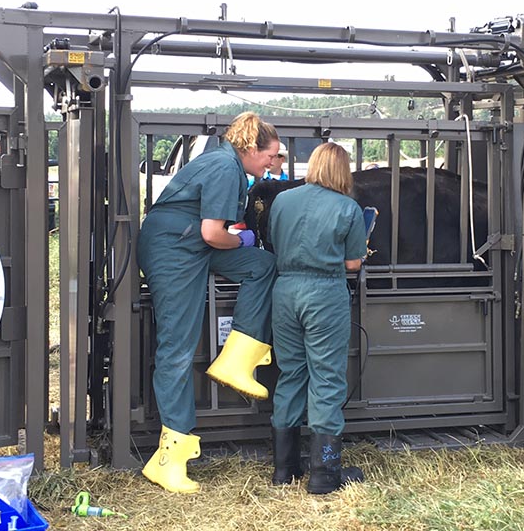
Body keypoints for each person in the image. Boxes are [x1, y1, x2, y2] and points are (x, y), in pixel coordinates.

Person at [137, 112, 280, 494]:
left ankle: (236, 361)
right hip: (176, 248)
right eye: (271, 157)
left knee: (262, 265)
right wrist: (242, 240)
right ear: (251, 149)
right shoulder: (224, 167)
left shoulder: (229, 164)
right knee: (178, 348)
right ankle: (169, 457)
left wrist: (245, 244)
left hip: (192, 243)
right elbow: (213, 233)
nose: (273, 165)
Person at [267, 142, 367, 494]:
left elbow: (273, 243)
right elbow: (353, 263)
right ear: (342, 170)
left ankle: (284, 470)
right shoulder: (348, 208)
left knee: (291, 373)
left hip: (284, 291)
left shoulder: (283, 200)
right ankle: (324, 475)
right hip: (324, 292)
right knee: (325, 377)